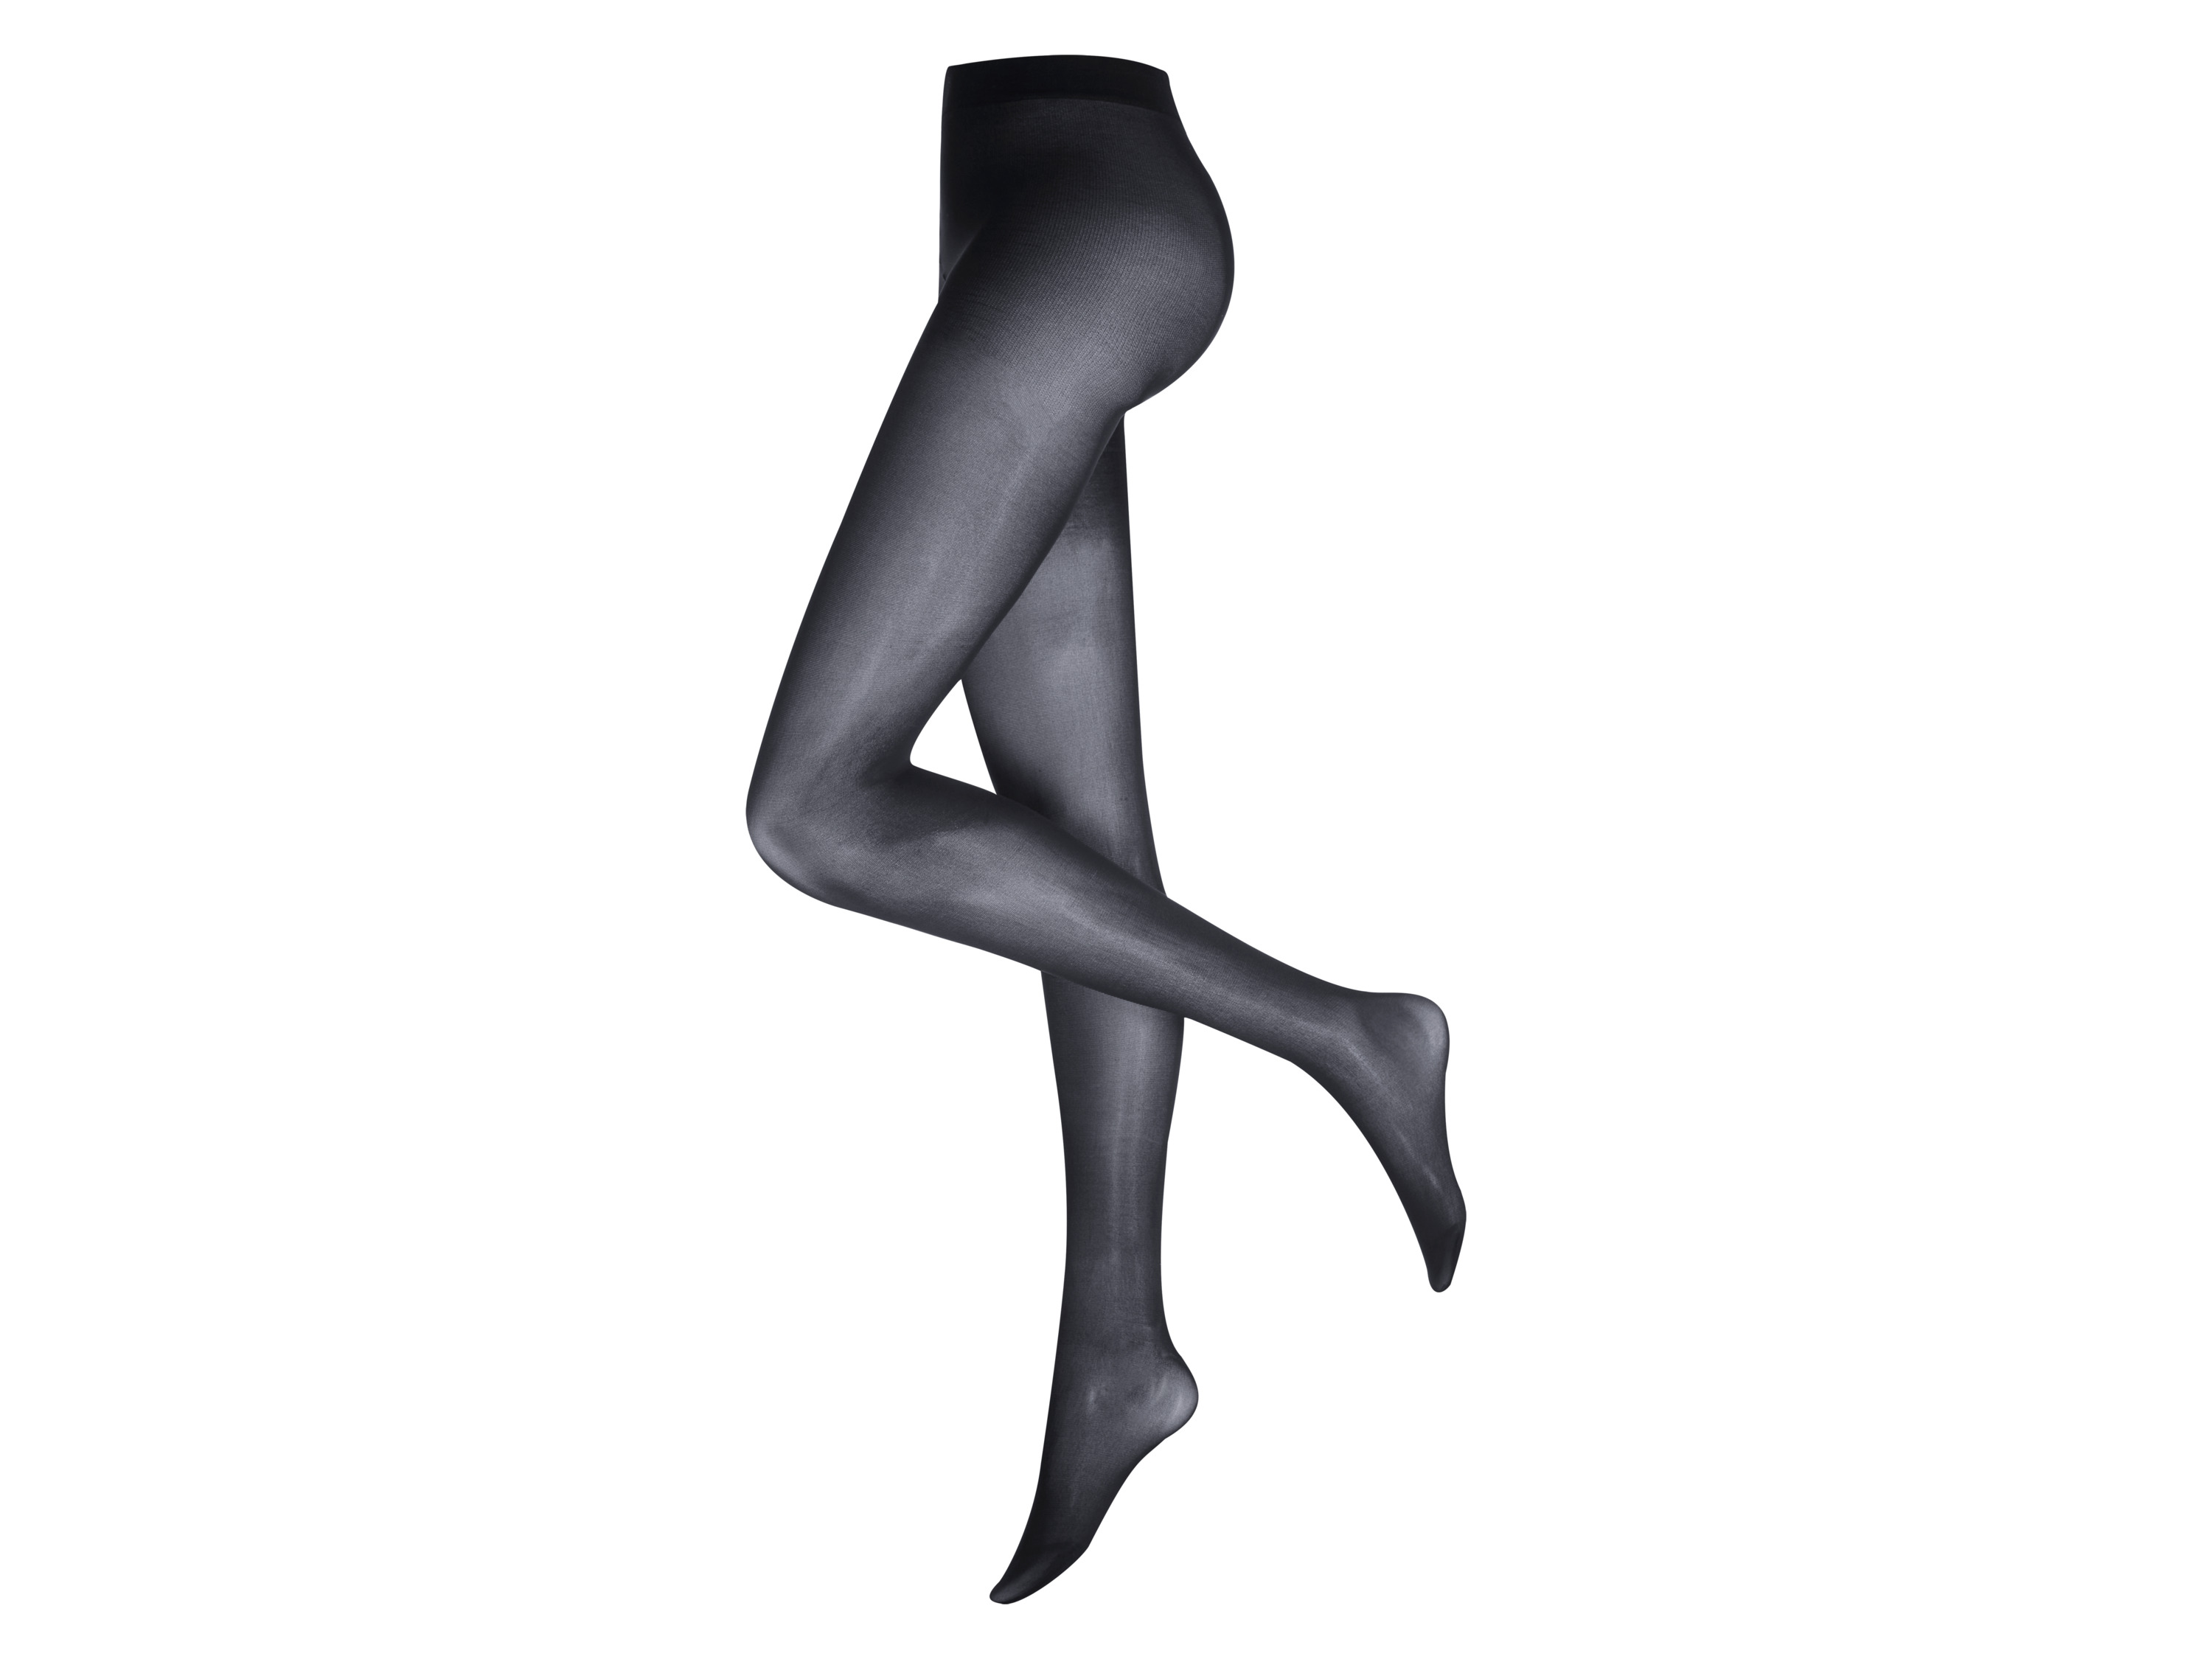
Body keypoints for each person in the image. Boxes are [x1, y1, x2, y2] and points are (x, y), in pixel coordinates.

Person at [748, 54, 1464, 1603]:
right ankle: (1117, 1349)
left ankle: (1353, 1033)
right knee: (1079, 850)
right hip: (1032, 215)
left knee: (814, 806)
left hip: (1092, 225)